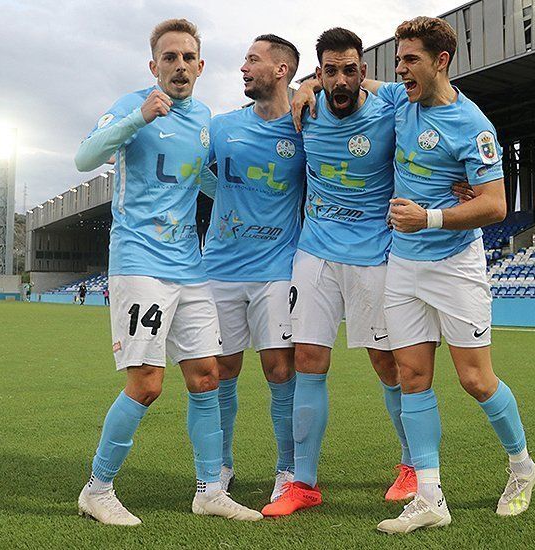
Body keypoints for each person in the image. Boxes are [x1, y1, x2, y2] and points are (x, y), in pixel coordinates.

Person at [293, 16, 535, 533]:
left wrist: (429, 217)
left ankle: (521, 466)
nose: (399, 70)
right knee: (412, 378)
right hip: (402, 263)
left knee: (475, 379)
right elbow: (355, 81)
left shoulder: (473, 125)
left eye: (410, 60)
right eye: (398, 60)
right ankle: (429, 498)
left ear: (440, 62)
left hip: (455, 265)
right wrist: (308, 83)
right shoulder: (400, 100)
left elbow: (495, 205)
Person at [73, 18, 261, 526]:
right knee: (148, 384)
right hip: (140, 263)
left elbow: (203, 179)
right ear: (153, 65)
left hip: (189, 265)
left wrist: (255, 203)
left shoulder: (203, 117)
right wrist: (136, 118)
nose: (179, 66)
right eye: (169, 57)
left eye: (187, 58)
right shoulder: (131, 105)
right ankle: (98, 487)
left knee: (208, 376)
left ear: (201, 66)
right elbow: (84, 158)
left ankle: (208, 489)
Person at [262, 28, 418, 518]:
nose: (341, 80)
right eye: (330, 70)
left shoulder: (390, 104)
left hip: (374, 254)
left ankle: (411, 465)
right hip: (314, 252)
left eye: (350, 69)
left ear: (363, 71)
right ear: (320, 72)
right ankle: (303, 483)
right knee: (308, 358)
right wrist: (304, 87)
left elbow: (437, 98)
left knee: (385, 362)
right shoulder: (304, 112)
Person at [199, 34, 305, 507]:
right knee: (222, 370)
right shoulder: (221, 127)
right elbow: (197, 175)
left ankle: (287, 469)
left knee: (280, 369)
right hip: (219, 268)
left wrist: (313, 89)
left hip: (277, 268)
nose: (243, 67)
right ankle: (221, 465)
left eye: (253, 60)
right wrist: (226, 198)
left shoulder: (305, 126)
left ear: (281, 70)